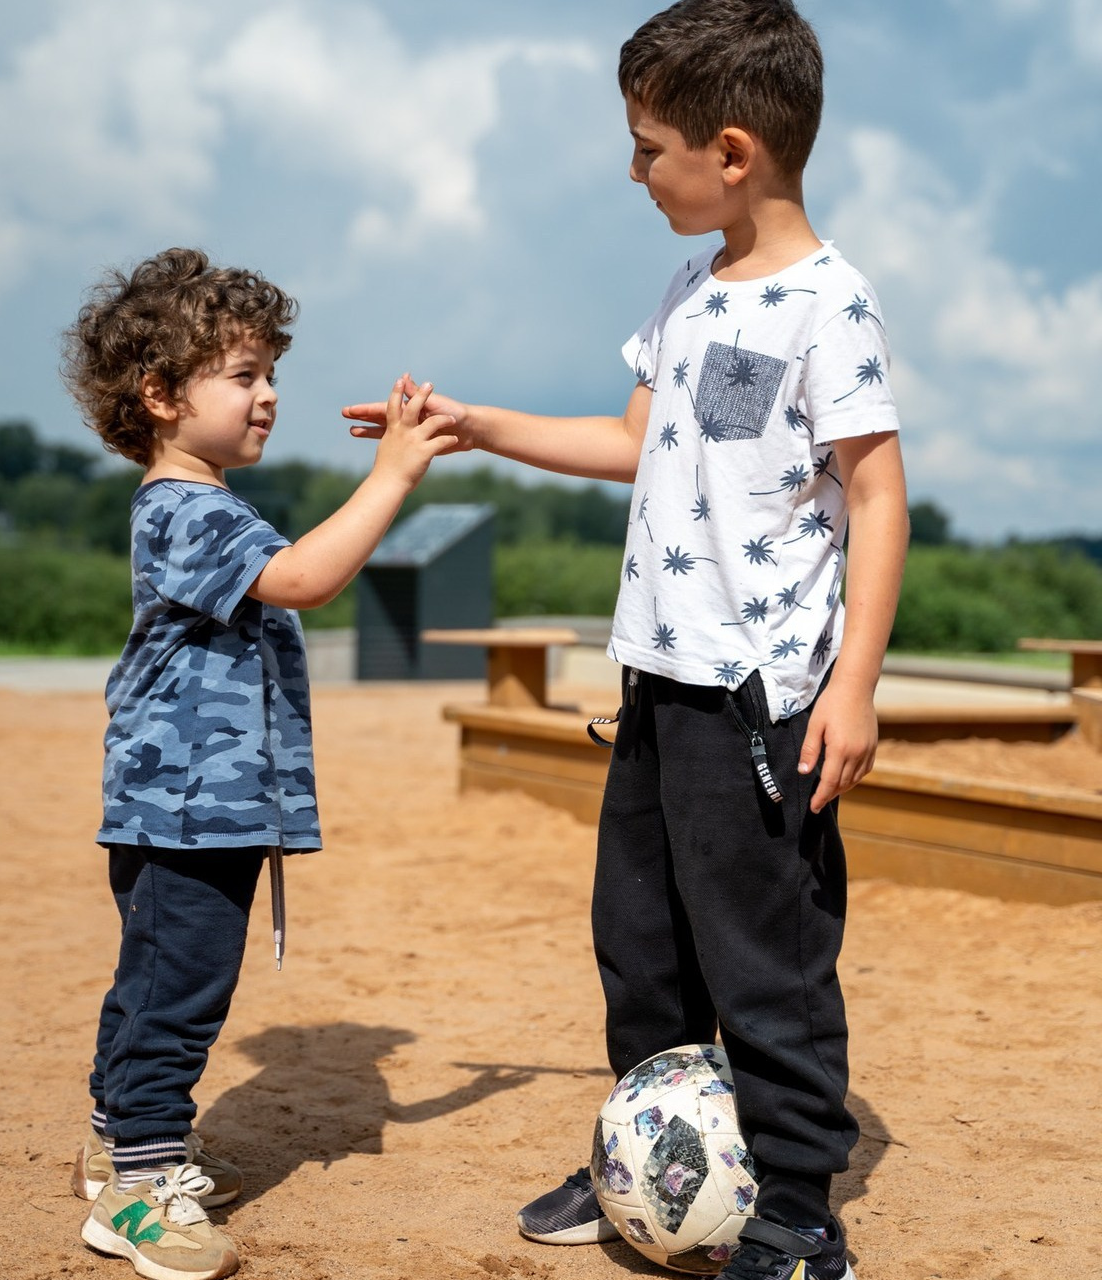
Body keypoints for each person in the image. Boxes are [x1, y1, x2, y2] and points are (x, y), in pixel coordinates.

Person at [343, 3, 907, 1277]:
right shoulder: (689, 286)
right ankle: (644, 1149)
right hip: (655, 679)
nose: (633, 172)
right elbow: (628, 440)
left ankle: (796, 1210)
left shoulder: (830, 305)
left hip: (758, 697)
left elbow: (877, 496)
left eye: (646, 148)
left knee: (762, 958)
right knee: (638, 945)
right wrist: (472, 422)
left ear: (729, 152)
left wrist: (853, 685)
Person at [60, 247, 456, 1280]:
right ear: (158, 395)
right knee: (179, 988)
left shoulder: (203, 503)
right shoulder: (184, 510)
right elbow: (309, 578)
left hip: (196, 807)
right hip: (183, 809)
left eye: (269, 371)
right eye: (241, 374)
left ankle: (117, 1141)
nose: (268, 394)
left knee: (153, 979)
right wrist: (395, 475)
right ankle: (138, 1191)